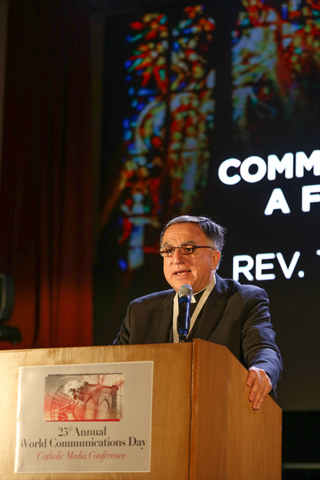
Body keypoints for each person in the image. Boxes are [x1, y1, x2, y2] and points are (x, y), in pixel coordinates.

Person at [114, 215, 282, 410]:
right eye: (168, 251)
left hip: (219, 416)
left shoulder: (244, 300)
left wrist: (263, 370)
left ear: (214, 259)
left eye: (188, 249)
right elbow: (113, 366)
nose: (176, 259)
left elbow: (263, 348)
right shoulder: (141, 310)